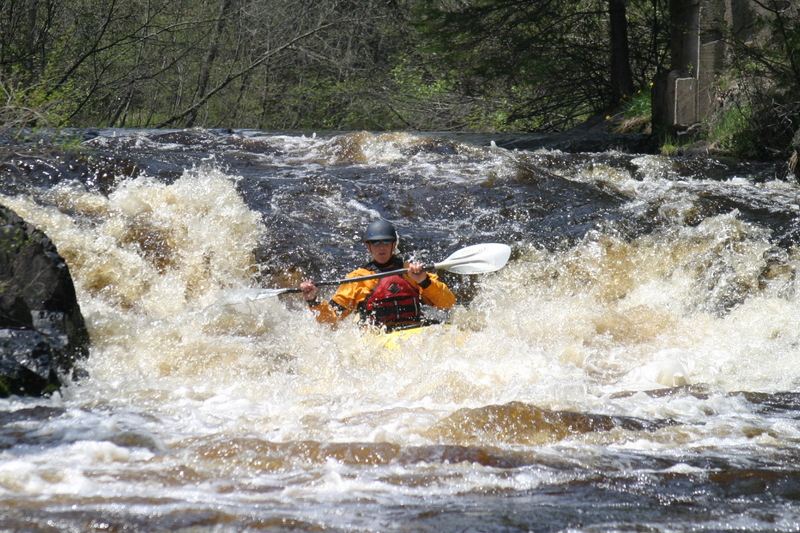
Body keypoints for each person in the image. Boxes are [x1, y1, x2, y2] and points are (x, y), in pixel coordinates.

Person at [300, 220, 456, 331]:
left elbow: (447, 303)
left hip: (415, 330)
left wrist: (424, 282)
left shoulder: (412, 272)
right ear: (368, 247)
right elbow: (332, 320)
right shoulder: (358, 279)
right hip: (378, 337)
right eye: (375, 243)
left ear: (394, 245)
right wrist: (313, 301)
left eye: (386, 242)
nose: (381, 247)